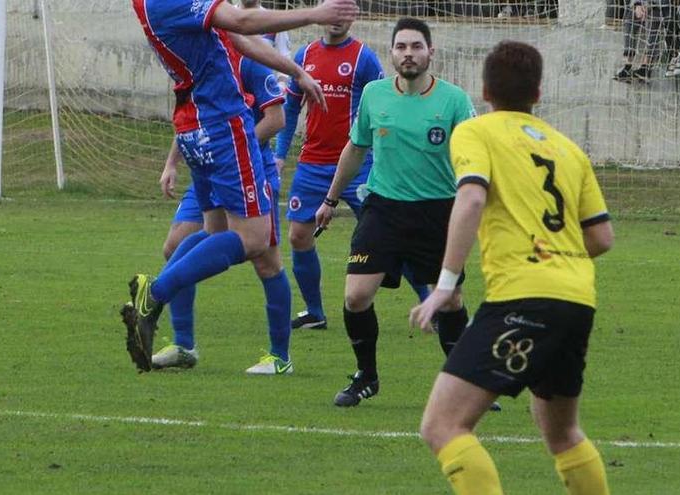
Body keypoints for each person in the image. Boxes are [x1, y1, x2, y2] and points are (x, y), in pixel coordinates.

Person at [410, 41, 614, 494]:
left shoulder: (476, 132)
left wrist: (445, 284)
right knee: (561, 432)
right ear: (538, 93)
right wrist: (557, 255)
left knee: (442, 425)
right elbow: (601, 237)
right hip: (576, 300)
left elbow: (472, 197)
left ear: (484, 91)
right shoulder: (568, 149)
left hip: (522, 298)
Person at [123, 0, 358, 373]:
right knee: (255, 241)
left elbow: (240, 36)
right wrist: (316, 13)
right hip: (222, 127)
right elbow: (245, 21)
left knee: (217, 234)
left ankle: (230, 349)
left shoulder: (179, 12)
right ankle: (156, 294)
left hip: (198, 124)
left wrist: (296, 71)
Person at [313, 18, 476, 407]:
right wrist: (330, 200)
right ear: (392, 53)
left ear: (430, 53)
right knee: (355, 296)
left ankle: (465, 382)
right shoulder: (374, 94)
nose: (408, 54)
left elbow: (475, 155)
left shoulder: (454, 100)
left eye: (416, 47)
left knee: (450, 301)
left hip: (437, 212)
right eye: (401, 47)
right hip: (382, 210)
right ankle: (366, 376)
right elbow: (355, 149)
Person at [273, 17, 430, 330]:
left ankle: (430, 303)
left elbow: (389, 101)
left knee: (390, 235)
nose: (336, 21)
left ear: (352, 16)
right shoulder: (304, 57)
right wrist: (279, 155)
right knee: (298, 235)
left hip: (358, 165)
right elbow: (290, 110)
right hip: (312, 165)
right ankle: (314, 312)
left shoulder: (364, 58)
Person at [151, 43, 291, 374]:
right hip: (209, 168)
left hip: (249, 169)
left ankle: (280, 357)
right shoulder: (198, 59)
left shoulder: (253, 60)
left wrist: (232, 151)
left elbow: (276, 119)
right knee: (174, 246)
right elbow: (191, 116)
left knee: (266, 262)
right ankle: (183, 344)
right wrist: (171, 163)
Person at [613, 0, 671, 83]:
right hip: (643, 5)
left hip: (660, 8)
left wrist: (648, 6)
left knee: (652, 19)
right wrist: (637, 5)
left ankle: (646, 67)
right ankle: (627, 66)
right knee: (629, 18)